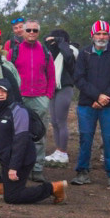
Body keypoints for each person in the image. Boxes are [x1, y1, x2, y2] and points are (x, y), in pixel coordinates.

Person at [0, 83, 66, 204]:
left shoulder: (18, 111)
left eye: (3, 92)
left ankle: (53, 188)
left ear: (9, 93)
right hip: (4, 154)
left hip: (21, 158)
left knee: (12, 197)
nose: (0, 94)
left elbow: (21, 141)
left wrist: (13, 167)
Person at [72, 20, 110, 189]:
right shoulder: (84, 54)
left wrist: (105, 97)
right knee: (85, 137)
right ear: (92, 35)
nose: (101, 37)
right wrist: (97, 96)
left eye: (104, 34)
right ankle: (82, 172)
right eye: (98, 33)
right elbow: (79, 78)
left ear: (109, 36)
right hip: (87, 104)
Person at [5, 17, 56, 177]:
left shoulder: (46, 52)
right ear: (23, 32)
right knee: (17, 133)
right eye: (29, 30)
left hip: (40, 97)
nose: (32, 33)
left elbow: (52, 75)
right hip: (20, 99)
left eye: (35, 30)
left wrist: (48, 95)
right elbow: (8, 75)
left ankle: (38, 168)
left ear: (38, 32)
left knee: (39, 133)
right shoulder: (14, 52)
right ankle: (16, 166)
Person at [43, 28, 79, 165]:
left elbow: (69, 58)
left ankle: (63, 152)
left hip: (65, 87)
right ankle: (58, 150)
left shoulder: (72, 50)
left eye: (54, 39)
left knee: (61, 121)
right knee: (54, 121)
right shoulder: (53, 52)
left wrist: (60, 42)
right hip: (53, 88)